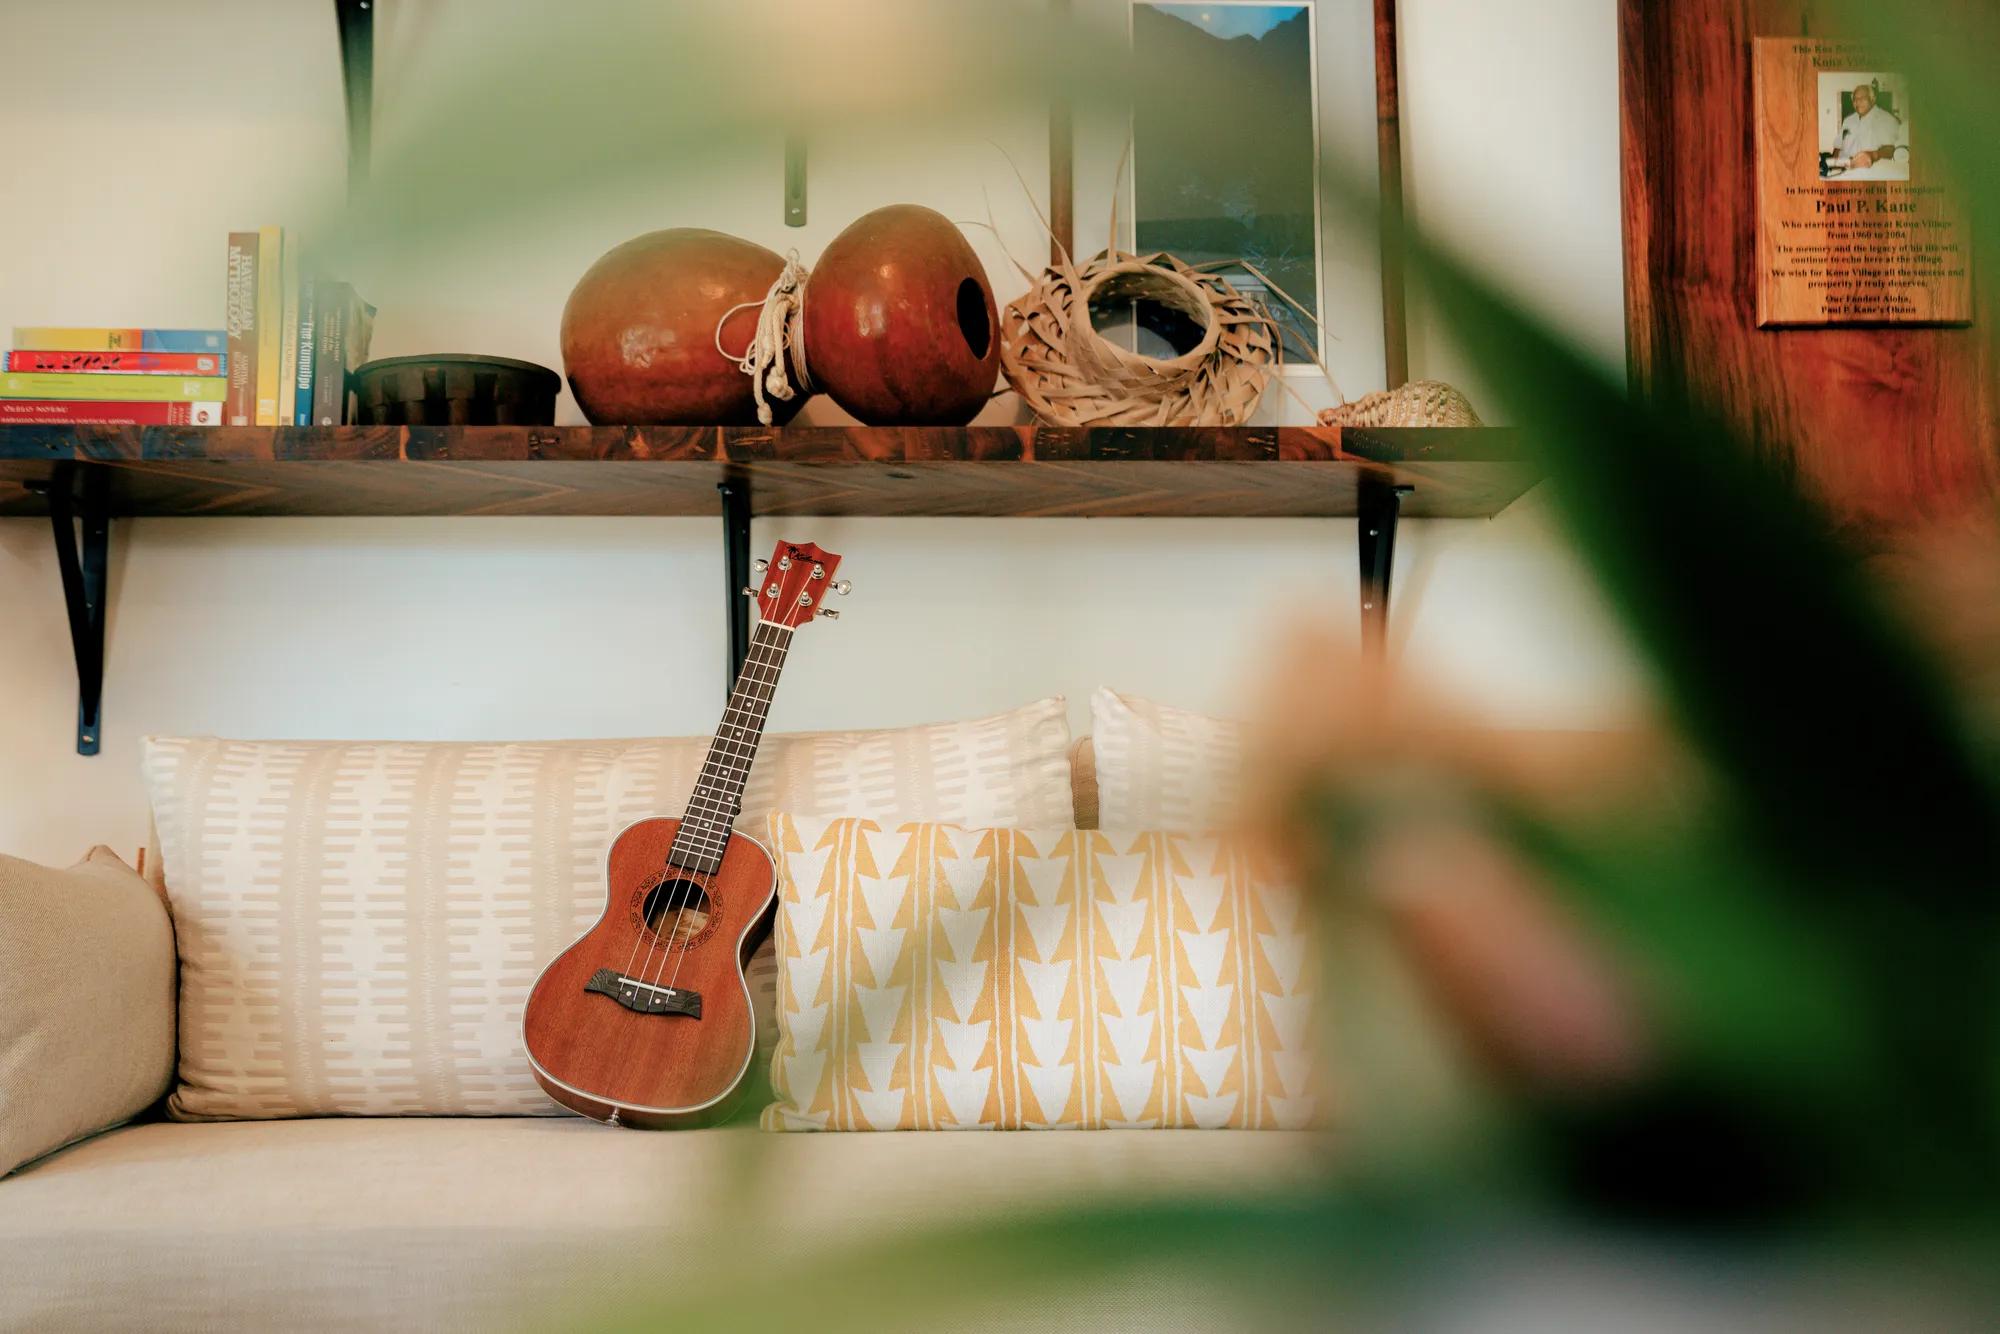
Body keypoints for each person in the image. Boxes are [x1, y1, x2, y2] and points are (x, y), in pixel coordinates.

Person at [1836, 83, 1907, 170]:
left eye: (1862, 98)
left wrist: (1872, 156)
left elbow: (1890, 149)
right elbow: (1838, 147)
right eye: (1855, 99)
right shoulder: (1848, 120)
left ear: (1872, 99)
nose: (1857, 102)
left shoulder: (1886, 119)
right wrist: (1833, 164)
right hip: (1843, 167)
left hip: (1870, 170)